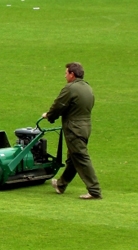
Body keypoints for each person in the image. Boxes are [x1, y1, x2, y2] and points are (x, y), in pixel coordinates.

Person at [42, 62, 102, 199]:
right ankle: (61, 185)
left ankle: (94, 190)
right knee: (73, 157)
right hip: (86, 127)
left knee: (80, 157)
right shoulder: (87, 87)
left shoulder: (70, 88)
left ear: (72, 74)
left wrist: (49, 116)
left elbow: (59, 105)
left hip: (74, 128)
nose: (65, 76)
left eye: (66, 73)